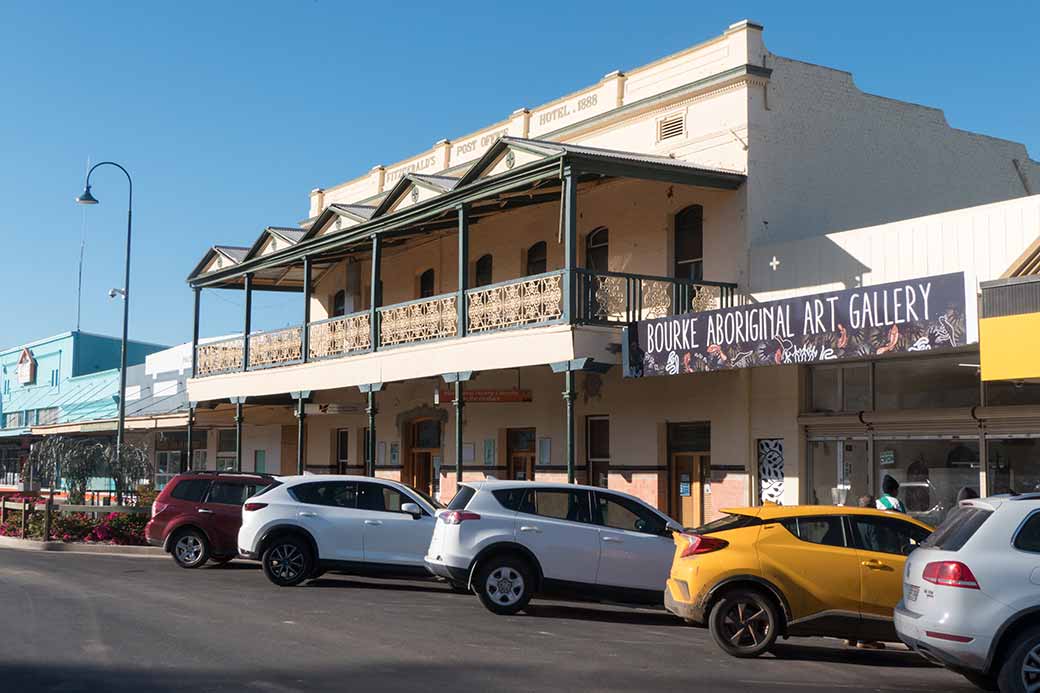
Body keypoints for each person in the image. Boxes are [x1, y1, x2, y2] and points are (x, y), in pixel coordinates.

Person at [847, 494, 885, 650]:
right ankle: (865, 640)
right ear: (872, 508)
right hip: (869, 567)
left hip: (850, 565)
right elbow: (876, 548)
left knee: (853, 604)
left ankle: (850, 638)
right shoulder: (871, 524)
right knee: (870, 604)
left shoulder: (852, 520)